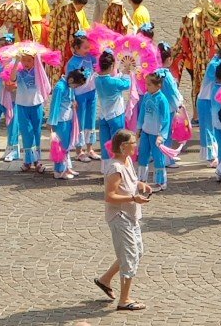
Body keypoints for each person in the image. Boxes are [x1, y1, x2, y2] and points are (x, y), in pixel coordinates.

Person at [96, 128, 150, 310]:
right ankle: (124, 300)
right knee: (129, 256)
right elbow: (109, 196)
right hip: (120, 217)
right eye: (133, 143)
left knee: (137, 252)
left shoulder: (127, 161)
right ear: (123, 146)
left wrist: (140, 185)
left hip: (131, 215)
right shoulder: (115, 168)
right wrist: (133, 198)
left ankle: (105, 280)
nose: (136, 146)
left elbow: (129, 184)